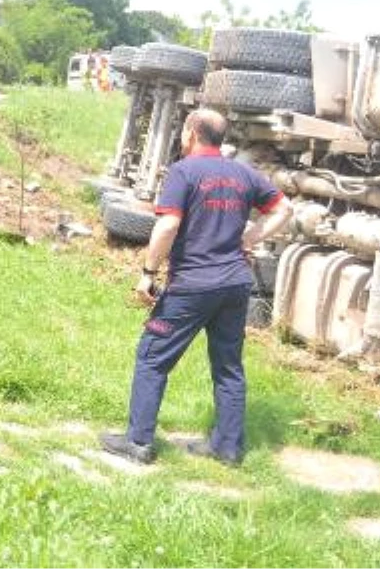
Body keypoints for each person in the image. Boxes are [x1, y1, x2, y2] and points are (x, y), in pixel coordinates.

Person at [99, 108, 293, 466]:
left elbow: (168, 226)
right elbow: (284, 209)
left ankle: (138, 441)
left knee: (152, 357)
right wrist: (250, 236)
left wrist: (148, 273)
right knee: (228, 366)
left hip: (193, 284)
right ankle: (228, 447)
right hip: (235, 284)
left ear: (191, 132)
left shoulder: (182, 172)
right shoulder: (243, 173)